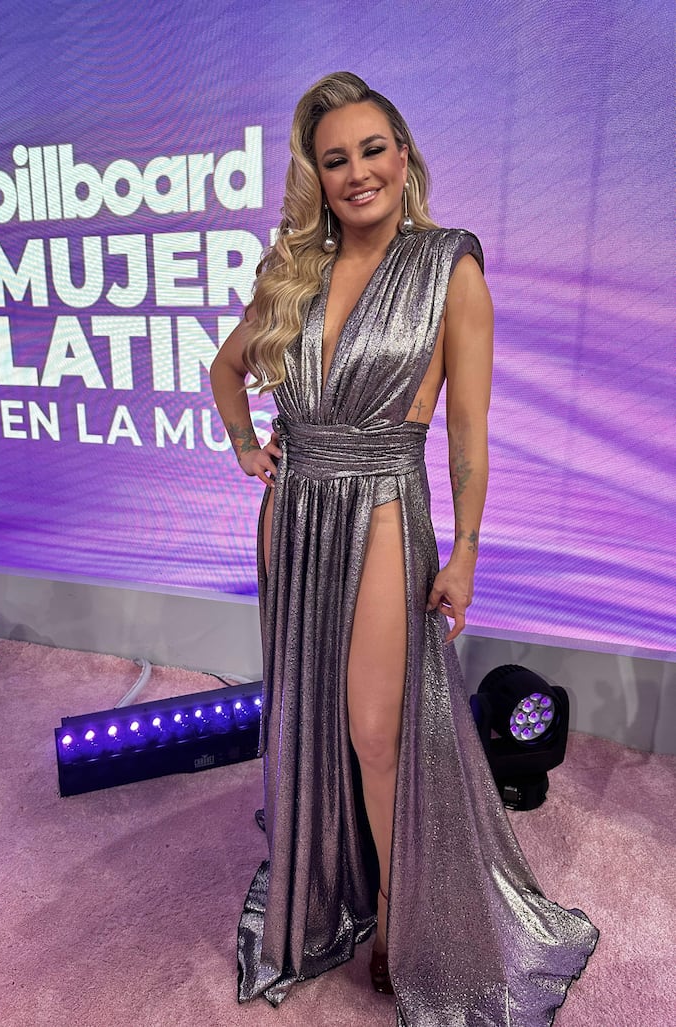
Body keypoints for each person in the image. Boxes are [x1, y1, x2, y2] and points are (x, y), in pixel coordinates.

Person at [210, 71, 597, 1026]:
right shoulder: (292, 269)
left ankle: (395, 910)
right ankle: (326, 866)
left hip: (384, 503)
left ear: (405, 154)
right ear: (317, 175)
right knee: (305, 712)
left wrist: (465, 550)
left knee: (379, 730)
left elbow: (468, 431)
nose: (358, 173)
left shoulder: (448, 266)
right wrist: (248, 449)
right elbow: (225, 370)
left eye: (372, 149)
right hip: (294, 510)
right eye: (335, 159)